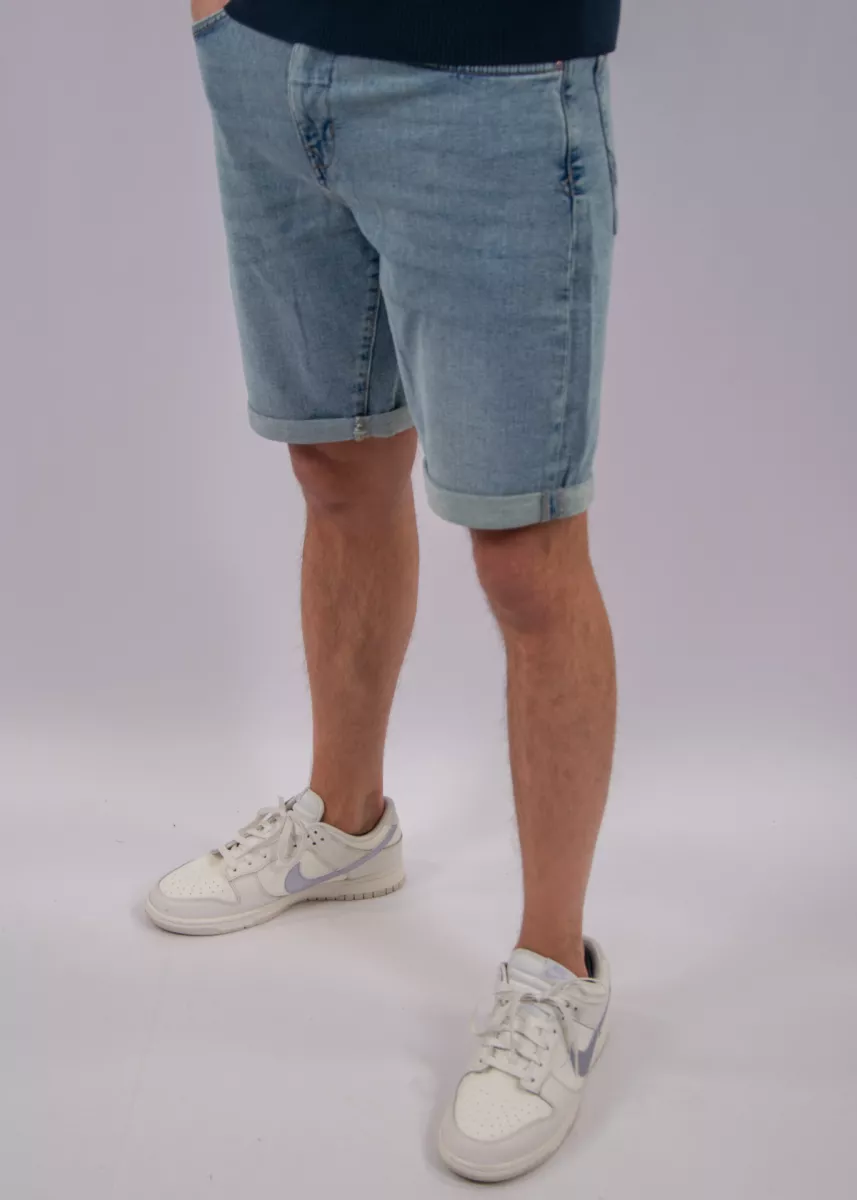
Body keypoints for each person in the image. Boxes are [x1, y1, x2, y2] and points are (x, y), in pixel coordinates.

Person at [147, 0, 621, 1181]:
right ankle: (345, 823)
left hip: (490, 77)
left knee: (525, 553)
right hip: (267, 59)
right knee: (335, 468)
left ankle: (554, 970)